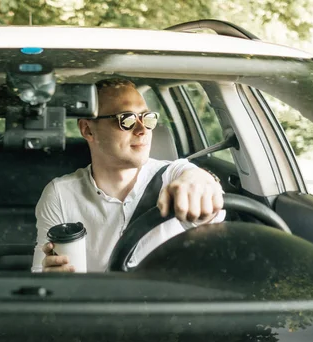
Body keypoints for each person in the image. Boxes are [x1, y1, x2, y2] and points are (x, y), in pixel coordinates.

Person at [33, 79, 225, 273]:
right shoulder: (60, 194)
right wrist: (52, 276)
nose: (143, 130)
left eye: (147, 118)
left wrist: (199, 179)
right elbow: (40, 276)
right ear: (88, 130)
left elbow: (194, 179)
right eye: (127, 119)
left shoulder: (173, 177)